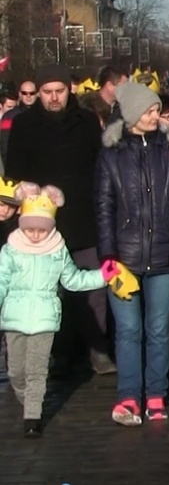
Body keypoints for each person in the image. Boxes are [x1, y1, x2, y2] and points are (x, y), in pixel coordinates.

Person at [6, 65, 114, 376]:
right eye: (47, 92)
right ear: (38, 94)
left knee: (93, 289)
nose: (54, 98)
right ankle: (62, 351)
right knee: (51, 290)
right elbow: (15, 174)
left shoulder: (87, 122)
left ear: (70, 90)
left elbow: (101, 166)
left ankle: (97, 349)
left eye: (60, 91)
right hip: (42, 221)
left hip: (85, 217)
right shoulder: (25, 125)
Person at [95, 82, 169, 426]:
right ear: (134, 114)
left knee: (159, 329)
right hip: (122, 258)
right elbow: (104, 207)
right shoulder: (111, 154)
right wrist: (107, 255)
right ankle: (127, 397)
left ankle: (155, 394)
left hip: (166, 257)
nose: (157, 117)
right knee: (128, 330)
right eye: (151, 111)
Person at [0, 182, 116, 438]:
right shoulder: (10, 251)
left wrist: (102, 276)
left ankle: (32, 417)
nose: (34, 234)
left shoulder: (57, 251)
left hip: (44, 321)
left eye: (41, 229)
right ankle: (28, 401)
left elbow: (73, 280)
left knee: (37, 371)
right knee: (16, 372)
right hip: (14, 319)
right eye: (29, 228)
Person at [0, 80, 36, 163]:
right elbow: (5, 144)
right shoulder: (9, 116)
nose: (28, 96)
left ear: (37, 93)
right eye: (24, 93)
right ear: (20, 94)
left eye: (32, 93)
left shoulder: (45, 114)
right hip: (18, 165)